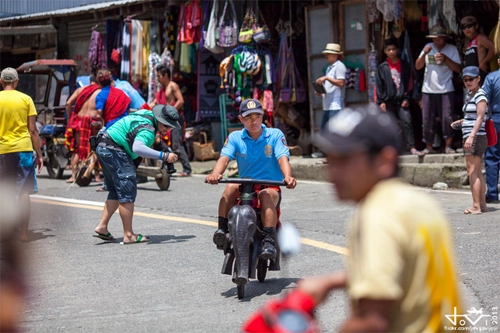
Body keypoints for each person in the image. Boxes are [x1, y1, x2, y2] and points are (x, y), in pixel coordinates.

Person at [246, 106, 463, 332]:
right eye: (330, 160)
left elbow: (372, 321)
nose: (333, 172)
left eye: (345, 159)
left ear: (384, 161)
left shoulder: (378, 213)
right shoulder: (415, 202)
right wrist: (332, 282)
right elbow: (402, 270)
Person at [206, 99, 297, 259]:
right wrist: (216, 174)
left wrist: (288, 177)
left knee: (265, 195)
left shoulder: (275, 135)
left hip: (270, 186)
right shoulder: (235, 137)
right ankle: (222, 230)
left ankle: (268, 239)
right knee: (229, 189)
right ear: (241, 119)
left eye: (257, 116)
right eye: (248, 117)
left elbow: (283, 158)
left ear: (263, 117)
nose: (253, 121)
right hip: (246, 185)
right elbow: (224, 158)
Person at [93, 105, 179, 243]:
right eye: (166, 125)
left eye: (170, 127)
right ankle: (129, 235)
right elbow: (138, 148)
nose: (167, 129)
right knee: (127, 192)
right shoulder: (148, 131)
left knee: (115, 190)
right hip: (115, 150)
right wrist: (164, 156)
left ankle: (102, 227)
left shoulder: (145, 114)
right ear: (158, 119)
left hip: (102, 146)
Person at [0, 67, 44, 242]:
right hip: (23, 149)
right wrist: (39, 154)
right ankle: (24, 234)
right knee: (24, 191)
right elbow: (33, 130)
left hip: (2, 150)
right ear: (16, 82)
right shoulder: (26, 99)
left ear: (1, 82)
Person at [415, 25, 462, 154]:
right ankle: (428, 147)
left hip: (446, 88)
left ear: (444, 39)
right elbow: (418, 66)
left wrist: (446, 59)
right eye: (435, 39)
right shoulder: (428, 48)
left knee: (447, 117)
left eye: (440, 39)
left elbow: (458, 69)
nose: (437, 41)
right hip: (428, 89)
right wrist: (424, 53)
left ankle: (448, 145)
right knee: (427, 119)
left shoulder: (451, 49)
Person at [451, 66, 488, 214]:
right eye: (465, 80)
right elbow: (472, 117)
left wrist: (471, 135)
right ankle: (482, 205)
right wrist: (462, 121)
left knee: (472, 171)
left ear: (478, 78)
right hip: (472, 133)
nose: (468, 82)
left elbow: (480, 117)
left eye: (471, 79)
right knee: (477, 170)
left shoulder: (480, 95)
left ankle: (476, 206)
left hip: (476, 136)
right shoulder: (470, 95)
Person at [376, 38, 420, 155]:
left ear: (397, 50)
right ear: (385, 51)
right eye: (388, 50)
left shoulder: (404, 65)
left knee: (407, 121)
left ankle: (411, 147)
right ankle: (389, 149)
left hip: (401, 100)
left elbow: (409, 83)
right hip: (388, 100)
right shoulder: (382, 67)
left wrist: (407, 98)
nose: (391, 52)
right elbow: (379, 85)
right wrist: (381, 101)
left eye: (393, 49)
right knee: (387, 125)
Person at [149, 64, 192, 177]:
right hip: (166, 119)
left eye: (159, 76)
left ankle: (187, 169)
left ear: (165, 75)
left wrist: (170, 111)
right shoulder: (162, 89)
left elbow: (181, 101)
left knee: (176, 144)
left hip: (175, 118)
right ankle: (168, 168)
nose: (157, 79)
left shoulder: (173, 86)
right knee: (164, 143)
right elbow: (155, 102)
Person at [64, 74, 102, 183]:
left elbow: (68, 103)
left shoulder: (80, 90)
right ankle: (97, 176)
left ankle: (73, 176)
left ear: (89, 81)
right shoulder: (99, 92)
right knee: (94, 148)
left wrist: (70, 117)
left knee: (77, 149)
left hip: (79, 122)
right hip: (92, 123)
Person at [312, 43, 346, 159]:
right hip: (327, 104)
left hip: (335, 104)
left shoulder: (339, 66)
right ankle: (325, 152)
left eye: (328, 54)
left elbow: (341, 83)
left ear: (335, 55)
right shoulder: (329, 68)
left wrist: (326, 78)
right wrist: (321, 91)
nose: (326, 56)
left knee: (334, 130)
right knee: (325, 130)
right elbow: (331, 86)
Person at [481, 56, 500, 204]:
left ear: (498, 61)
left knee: (492, 157)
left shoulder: (491, 77)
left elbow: (483, 99)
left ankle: (492, 194)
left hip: (496, 120)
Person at [461, 15, 495, 84]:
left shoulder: (480, 37)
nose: (467, 29)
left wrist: (483, 63)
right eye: (464, 27)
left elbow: (494, 48)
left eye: (469, 26)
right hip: (471, 79)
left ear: (476, 26)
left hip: (480, 76)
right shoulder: (470, 41)